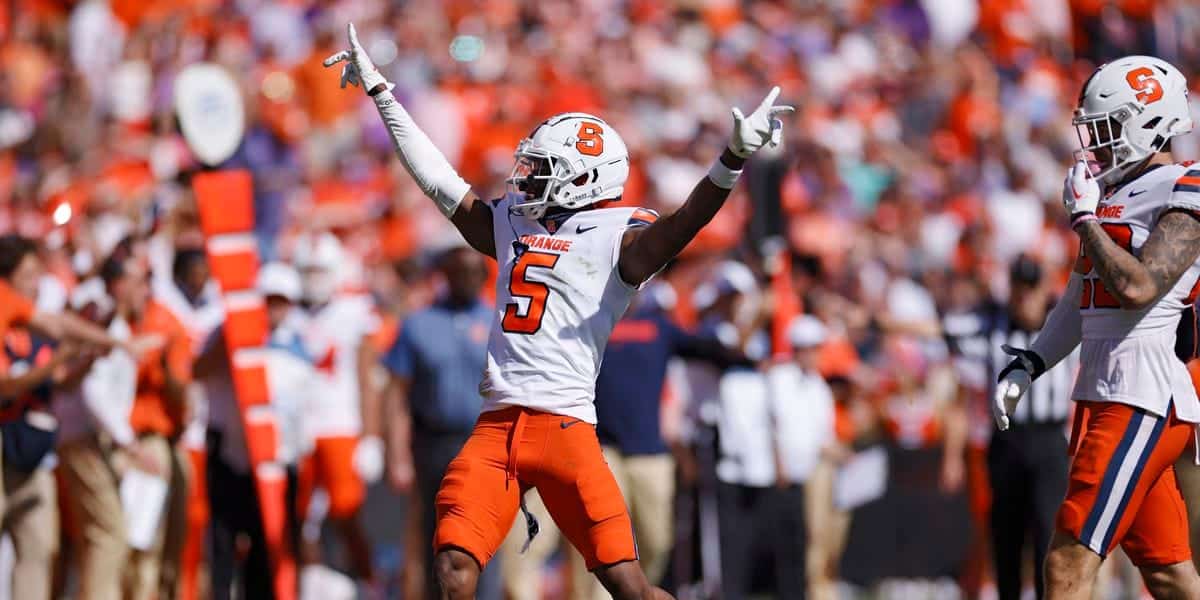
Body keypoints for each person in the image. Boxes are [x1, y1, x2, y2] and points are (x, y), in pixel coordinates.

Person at [325, 22, 791, 600]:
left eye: (543, 169)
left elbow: (684, 225)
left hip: (566, 429)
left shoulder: (619, 237)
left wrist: (731, 160)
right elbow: (440, 183)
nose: (527, 177)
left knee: (630, 587)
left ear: (584, 179)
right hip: (496, 425)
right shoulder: (514, 223)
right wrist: (383, 95)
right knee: (453, 568)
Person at [994, 55, 1200, 599]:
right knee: (1169, 574)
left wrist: (1086, 222)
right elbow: (1080, 299)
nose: (1097, 145)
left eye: (1108, 130)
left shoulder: (1187, 183)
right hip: (1104, 392)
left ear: (1148, 121)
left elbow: (1138, 288)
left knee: (1066, 563)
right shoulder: (1113, 196)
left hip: (1142, 394)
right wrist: (1033, 362)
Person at [947, 255, 1078, 600]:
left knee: (1046, 532)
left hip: (1049, 441)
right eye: (1019, 289)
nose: (1025, 298)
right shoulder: (991, 324)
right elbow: (939, 328)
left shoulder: (1062, 322)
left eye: (1031, 288)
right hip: (1007, 440)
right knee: (1006, 535)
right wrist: (872, 320)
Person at [381, 244, 502, 600]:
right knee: (436, 535)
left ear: (482, 277)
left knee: (485, 532)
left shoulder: (499, 321)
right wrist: (396, 454)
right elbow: (397, 395)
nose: (464, 279)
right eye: (456, 272)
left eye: (471, 272)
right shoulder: (418, 324)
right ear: (444, 276)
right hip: (433, 441)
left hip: (485, 439)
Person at [195, 262, 311, 600]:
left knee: (267, 552)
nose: (273, 309)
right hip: (231, 455)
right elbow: (198, 371)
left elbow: (303, 411)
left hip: (277, 461)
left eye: (280, 302)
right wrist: (232, 339)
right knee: (223, 547)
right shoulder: (225, 332)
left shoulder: (299, 346)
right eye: (267, 300)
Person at [294, 231, 382, 586]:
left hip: (340, 425)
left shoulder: (354, 312)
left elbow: (367, 378)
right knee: (299, 518)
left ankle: (367, 583)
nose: (314, 280)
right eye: (308, 272)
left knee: (347, 513)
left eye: (321, 272)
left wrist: (372, 436)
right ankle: (310, 586)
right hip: (298, 429)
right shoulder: (285, 310)